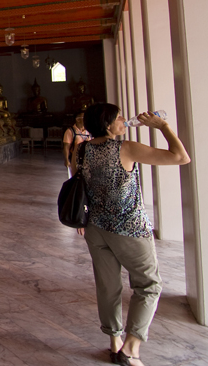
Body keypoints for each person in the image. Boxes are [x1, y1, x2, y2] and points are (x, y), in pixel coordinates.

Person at [71, 104, 189, 366]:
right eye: (118, 117)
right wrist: (164, 127)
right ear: (107, 125)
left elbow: (78, 182)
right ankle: (131, 347)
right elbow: (181, 157)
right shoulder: (125, 148)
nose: (124, 120)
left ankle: (114, 341)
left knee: (108, 286)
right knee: (149, 285)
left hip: (96, 228)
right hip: (129, 228)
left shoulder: (81, 149)